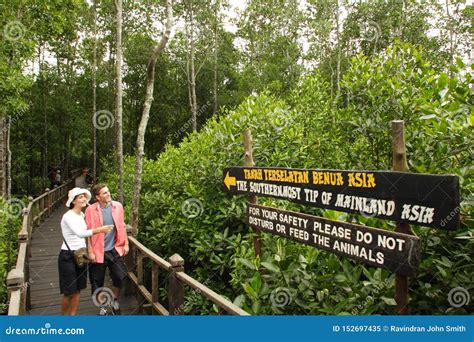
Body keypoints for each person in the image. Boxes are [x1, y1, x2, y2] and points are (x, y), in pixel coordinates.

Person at [59, 187, 113, 315]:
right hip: (68, 255)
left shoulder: (82, 215)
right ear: (73, 201)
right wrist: (100, 230)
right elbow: (80, 233)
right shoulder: (67, 216)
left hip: (81, 254)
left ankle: (72, 315)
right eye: (80, 197)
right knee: (69, 291)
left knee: (78, 289)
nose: (84, 199)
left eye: (84, 196)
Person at [85, 183, 129, 315]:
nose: (108, 194)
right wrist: (90, 251)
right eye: (104, 193)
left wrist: (126, 243)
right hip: (98, 251)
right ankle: (102, 306)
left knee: (120, 277)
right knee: (97, 281)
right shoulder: (90, 210)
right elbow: (88, 232)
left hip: (115, 249)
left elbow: (122, 226)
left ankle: (114, 300)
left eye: (108, 191)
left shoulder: (118, 206)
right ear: (98, 197)